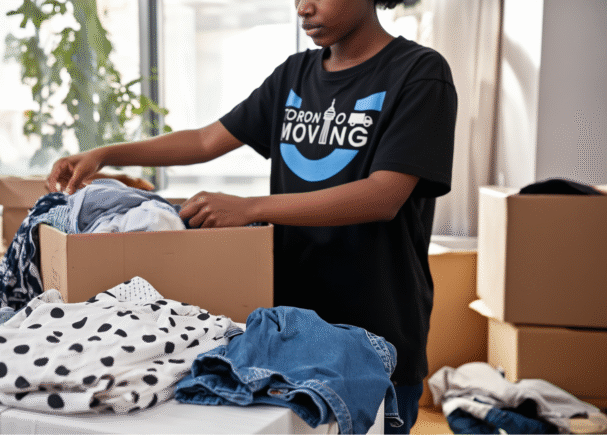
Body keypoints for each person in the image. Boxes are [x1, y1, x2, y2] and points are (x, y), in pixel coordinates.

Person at [47, 0, 457, 432]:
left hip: (379, 328)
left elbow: (383, 195)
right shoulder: (294, 75)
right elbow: (207, 140)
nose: (303, 7)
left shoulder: (420, 73)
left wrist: (249, 208)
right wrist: (106, 152)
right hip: (290, 331)